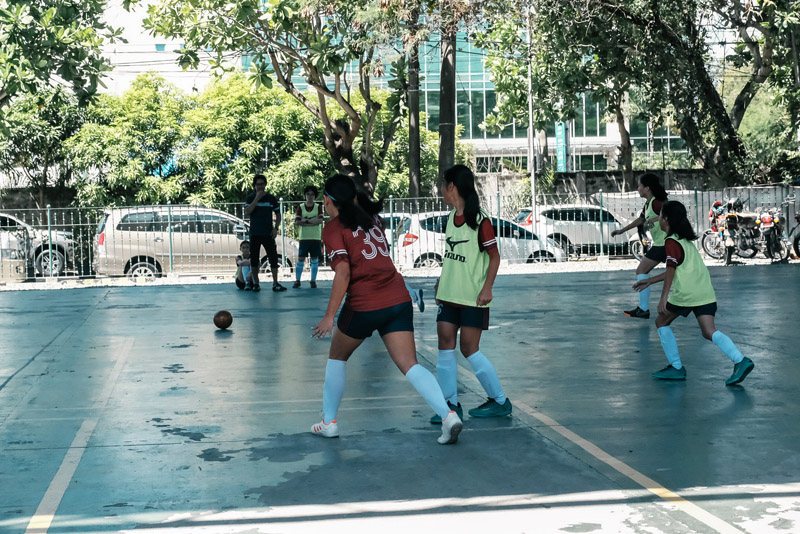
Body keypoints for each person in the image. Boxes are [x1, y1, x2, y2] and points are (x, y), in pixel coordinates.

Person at [310, 174, 462, 445]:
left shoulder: (333, 229)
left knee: (337, 356)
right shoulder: (372, 219)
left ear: (327, 201)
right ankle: (448, 416)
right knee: (410, 365)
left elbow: (343, 272)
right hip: (397, 299)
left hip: (364, 304)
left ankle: (329, 422)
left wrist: (329, 316)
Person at [633, 200, 755, 385]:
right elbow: (678, 269)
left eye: (661, 216)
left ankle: (676, 367)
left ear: (667, 219)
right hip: (704, 292)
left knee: (661, 322)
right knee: (709, 331)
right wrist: (650, 280)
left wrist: (663, 297)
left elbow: (671, 270)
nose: (659, 219)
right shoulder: (685, 241)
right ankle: (740, 360)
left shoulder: (671, 241)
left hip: (687, 294)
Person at [430, 164, 511, 425]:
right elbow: (452, 256)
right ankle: (450, 405)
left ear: (452, 186)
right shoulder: (450, 219)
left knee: (468, 348)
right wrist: (441, 282)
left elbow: (495, 257)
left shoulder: (480, 220)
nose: (441, 190)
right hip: (449, 295)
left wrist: (487, 288)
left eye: (443, 185)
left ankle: (499, 400)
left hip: (473, 297)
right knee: (444, 343)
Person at [611, 172, 669, 319]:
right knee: (675, 272)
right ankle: (644, 309)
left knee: (642, 270)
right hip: (661, 243)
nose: (638, 189)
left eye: (639, 186)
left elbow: (671, 214)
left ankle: (644, 309)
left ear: (647, 188)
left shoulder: (657, 202)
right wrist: (621, 231)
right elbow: (640, 220)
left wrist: (656, 219)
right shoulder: (648, 204)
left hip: (665, 243)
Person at [244, 174, 286, 292]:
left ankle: (275, 283)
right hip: (255, 233)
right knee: (254, 260)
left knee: (273, 258)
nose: (260, 186)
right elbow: (248, 212)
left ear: (265, 185)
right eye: (258, 184)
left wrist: (276, 228)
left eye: (262, 184)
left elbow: (278, 214)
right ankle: (256, 283)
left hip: (268, 233)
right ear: (254, 186)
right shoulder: (250, 198)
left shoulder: (271, 198)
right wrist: (257, 198)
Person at [293, 185, 324, 289]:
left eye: (312, 194)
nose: (310, 196)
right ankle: (297, 280)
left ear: (315, 196)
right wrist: (312, 221)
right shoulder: (301, 207)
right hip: (304, 237)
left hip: (315, 237)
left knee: (314, 258)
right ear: (305, 195)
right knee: (301, 258)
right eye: (308, 194)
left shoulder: (318, 207)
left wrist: (305, 220)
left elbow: (320, 220)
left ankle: (313, 280)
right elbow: (298, 221)